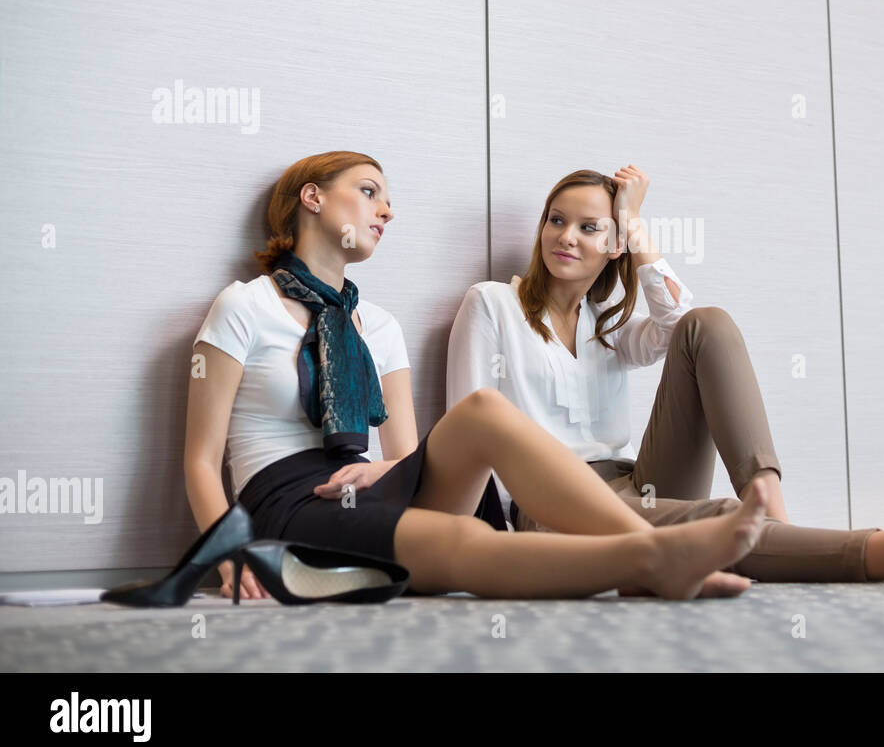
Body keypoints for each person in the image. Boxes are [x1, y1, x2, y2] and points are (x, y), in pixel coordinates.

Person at [187, 150, 775, 601]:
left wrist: (392, 472)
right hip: (287, 496)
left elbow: (408, 455)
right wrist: (227, 558)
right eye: (369, 193)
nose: (387, 209)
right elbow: (200, 460)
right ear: (312, 198)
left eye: (387, 199)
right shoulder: (245, 306)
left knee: (483, 413)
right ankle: (649, 561)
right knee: (462, 541)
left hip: (368, 484)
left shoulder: (380, 327)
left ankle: (650, 551)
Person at [447, 165, 884, 582]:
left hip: (635, 480)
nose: (566, 236)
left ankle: (771, 505)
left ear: (614, 245)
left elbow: (681, 323)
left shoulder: (608, 324)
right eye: (556, 220)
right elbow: (467, 434)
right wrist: (491, 554)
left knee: (710, 322)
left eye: (590, 226)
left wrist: (639, 231)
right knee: (724, 521)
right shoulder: (492, 304)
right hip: (549, 504)